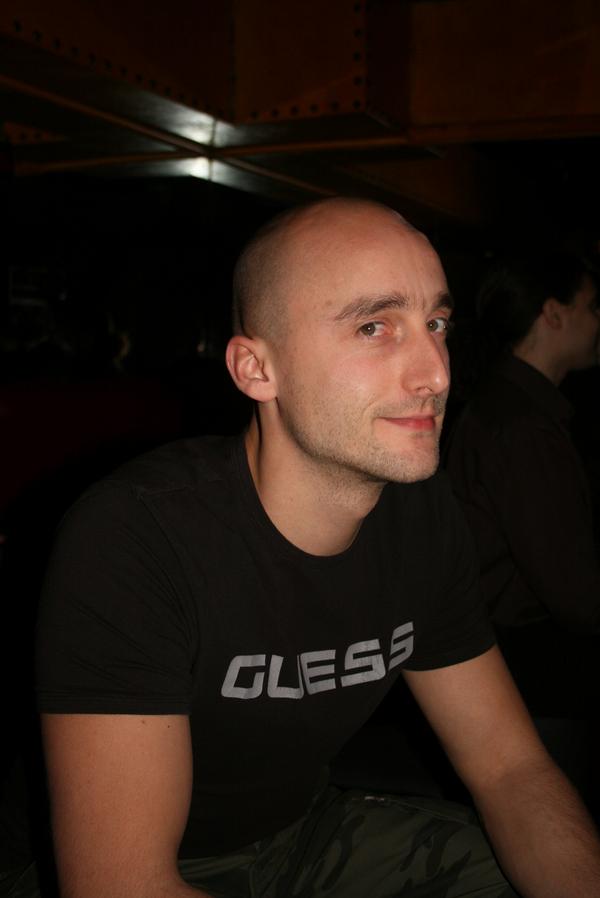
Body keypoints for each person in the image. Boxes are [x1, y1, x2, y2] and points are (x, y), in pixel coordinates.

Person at [34, 200, 600, 898]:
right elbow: (122, 885)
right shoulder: (135, 537)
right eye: (373, 327)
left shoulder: (422, 515)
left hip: (300, 835)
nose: (436, 374)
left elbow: (509, 768)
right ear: (256, 369)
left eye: (436, 324)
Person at [444, 254, 600, 717]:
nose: (599, 321)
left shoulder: (511, 406)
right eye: (593, 307)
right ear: (553, 313)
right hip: (531, 676)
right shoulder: (522, 425)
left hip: (514, 665)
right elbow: (577, 596)